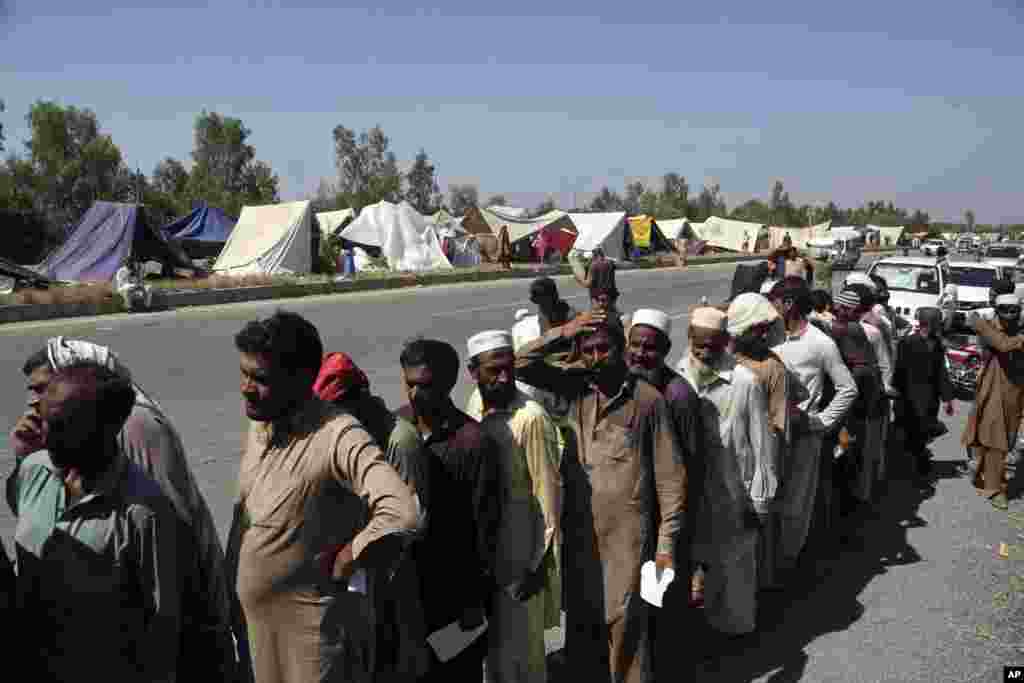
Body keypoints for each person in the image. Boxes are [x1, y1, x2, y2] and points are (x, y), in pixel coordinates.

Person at [10, 338, 237, 681]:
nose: (48, 437)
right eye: (47, 422)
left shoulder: (143, 514)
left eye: (62, 427)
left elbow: (161, 634)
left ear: (105, 430)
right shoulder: (33, 470)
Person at [226, 311, 418, 683]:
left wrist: (352, 553)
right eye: (245, 374)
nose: (246, 388)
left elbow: (402, 511)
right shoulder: (260, 424)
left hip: (312, 645)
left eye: (261, 379)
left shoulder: (338, 435)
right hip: (257, 635)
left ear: (299, 381)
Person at [515, 310, 686, 682]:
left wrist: (665, 547)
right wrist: (566, 331)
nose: (595, 358)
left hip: (627, 540)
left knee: (625, 625)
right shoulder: (574, 388)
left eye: (603, 349)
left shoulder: (648, 401)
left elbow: (670, 480)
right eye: (587, 350)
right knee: (581, 620)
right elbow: (519, 363)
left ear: (621, 349)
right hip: (579, 535)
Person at [389, 338, 505, 683]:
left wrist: (475, 601)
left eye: (424, 386)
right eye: (409, 384)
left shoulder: (473, 441)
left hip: (454, 597)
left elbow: (485, 526)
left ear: (447, 383)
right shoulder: (395, 429)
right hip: (405, 591)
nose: (414, 394)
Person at [311, 351, 431, 683]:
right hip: (360, 582)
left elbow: (409, 525)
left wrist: (355, 552)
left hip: (392, 579)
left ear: (359, 398)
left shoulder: (399, 441)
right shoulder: (350, 439)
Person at [465, 330, 561, 683]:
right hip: (487, 555)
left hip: (522, 557)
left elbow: (547, 497)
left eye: (508, 369)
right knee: (493, 655)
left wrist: (538, 565)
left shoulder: (531, 418)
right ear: (473, 372)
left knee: (525, 655)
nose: (503, 377)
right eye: (494, 370)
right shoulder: (474, 405)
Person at [677, 306, 774, 640]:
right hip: (691, 491)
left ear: (725, 341)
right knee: (696, 563)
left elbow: (763, 447)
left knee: (735, 570)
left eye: (713, 344)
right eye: (698, 344)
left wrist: (760, 501)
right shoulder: (679, 375)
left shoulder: (745, 382)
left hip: (735, 495)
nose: (705, 352)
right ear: (689, 339)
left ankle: (736, 638)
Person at [624, 309, 702, 677]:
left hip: (664, 524)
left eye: (650, 348)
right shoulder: (627, 386)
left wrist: (678, 530)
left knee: (660, 604)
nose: (640, 354)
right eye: (635, 345)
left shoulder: (678, 395)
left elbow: (689, 469)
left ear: (666, 350)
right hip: (632, 522)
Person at [767, 278, 858, 576]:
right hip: (769, 435)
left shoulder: (820, 344)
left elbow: (848, 389)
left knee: (795, 504)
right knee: (767, 498)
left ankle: (786, 565)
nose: (771, 308)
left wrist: (821, 423)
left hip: (803, 437)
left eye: (774, 301)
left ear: (788, 304)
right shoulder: (770, 337)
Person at [725, 293, 790, 590]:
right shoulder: (720, 358)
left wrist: (767, 477)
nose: (763, 334)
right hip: (720, 464)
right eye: (756, 328)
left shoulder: (772, 368)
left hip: (755, 469)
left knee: (757, 537)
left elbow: (778, 426)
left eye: (766, 327)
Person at [962, 295, 1024, 510]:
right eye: (1004, 310)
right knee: (995, 441)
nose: (1009, 315)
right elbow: (1001, 344)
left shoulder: (1013, 330)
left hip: (1014, 393)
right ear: (997, 310)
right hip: (993, 391)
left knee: (1004, 440)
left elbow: (1007, 345)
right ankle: (994, 488)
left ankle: (983, 475)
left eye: (1013, 310)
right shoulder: (989, 328)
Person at [830, 289, 884, 517]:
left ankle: (848, 501)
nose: (838, 311)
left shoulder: (846, 330)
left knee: (846, 450)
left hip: (855, 407)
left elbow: (862, 371)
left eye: (844, 308)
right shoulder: (855, 330)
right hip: (861, 404)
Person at [893, 307, 955, 477]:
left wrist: (947, 398)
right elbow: (899, 370)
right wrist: (897, 392)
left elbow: (941, 372)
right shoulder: (908, 343)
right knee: (912, 431)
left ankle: (917, 463)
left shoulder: (936, 344)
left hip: (929, 397)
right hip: (909, 396)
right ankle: (916, 463)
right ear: (933, 323)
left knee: (921, 432)